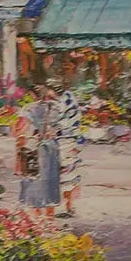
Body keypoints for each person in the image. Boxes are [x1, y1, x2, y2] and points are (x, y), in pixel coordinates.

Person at [52, 83, 84, 218]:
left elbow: (59, 122)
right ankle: (68, 205)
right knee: (68, 173)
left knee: (65, 173)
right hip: (70, 140)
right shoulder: (67, 98)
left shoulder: (65, 100)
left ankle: (67, 205)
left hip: (66, 140)